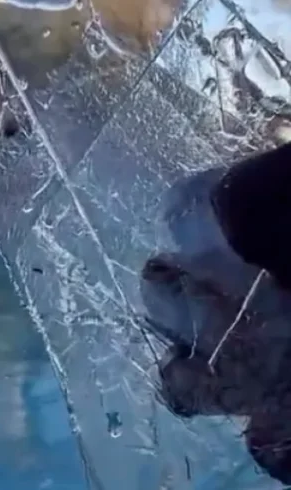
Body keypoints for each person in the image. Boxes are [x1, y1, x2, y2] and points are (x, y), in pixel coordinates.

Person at [142, 141, 291, 484]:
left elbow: (159, 274)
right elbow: (158, 275)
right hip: (228, 214)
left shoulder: (234, 382)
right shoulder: (231, 384)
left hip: (227, 212)